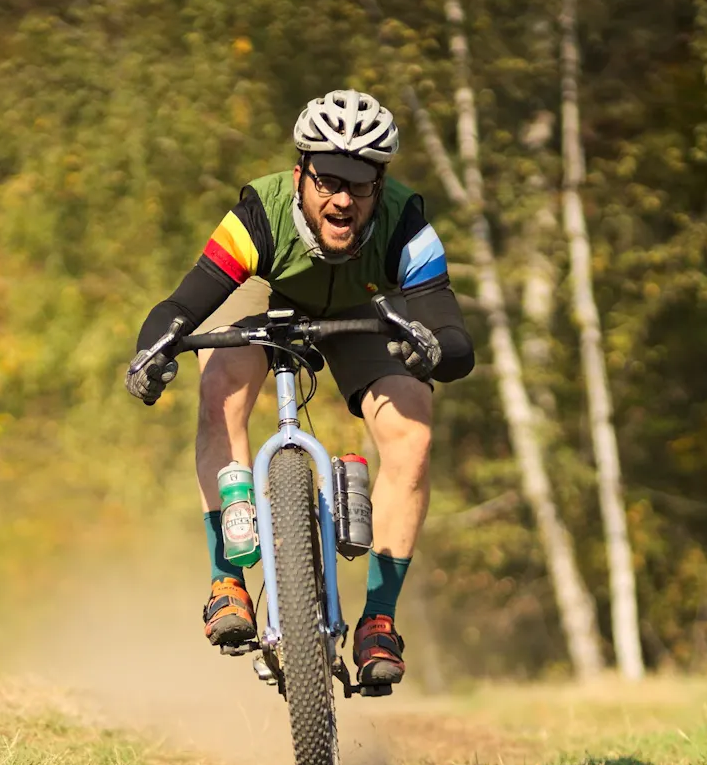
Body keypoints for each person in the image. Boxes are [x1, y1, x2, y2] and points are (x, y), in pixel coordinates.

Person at [125, 89, 475, 687]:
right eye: (328, 180)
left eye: (359, 184)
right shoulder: (259, 213)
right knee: (220, 390)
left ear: (380, 184)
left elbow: (451, 330)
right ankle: (227, 582)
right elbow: (183, 304)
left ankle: (379, 621)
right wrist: (152, 352)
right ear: (300, 175)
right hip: (268, 294)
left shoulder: (406, 223)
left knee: (412, 428)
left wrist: (437, 350)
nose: (341, 199)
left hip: (362, 312)